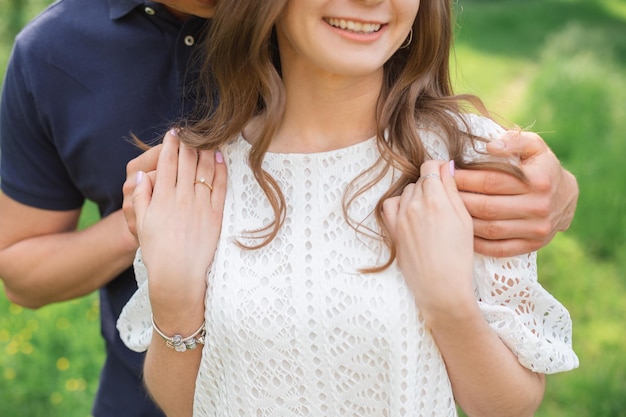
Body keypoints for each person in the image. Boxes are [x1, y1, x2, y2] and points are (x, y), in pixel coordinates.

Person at [0, 0, 576, 416]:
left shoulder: (464, 160)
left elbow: (510, 403)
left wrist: (451, 303)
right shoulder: (63, 59)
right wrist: (169, 277)